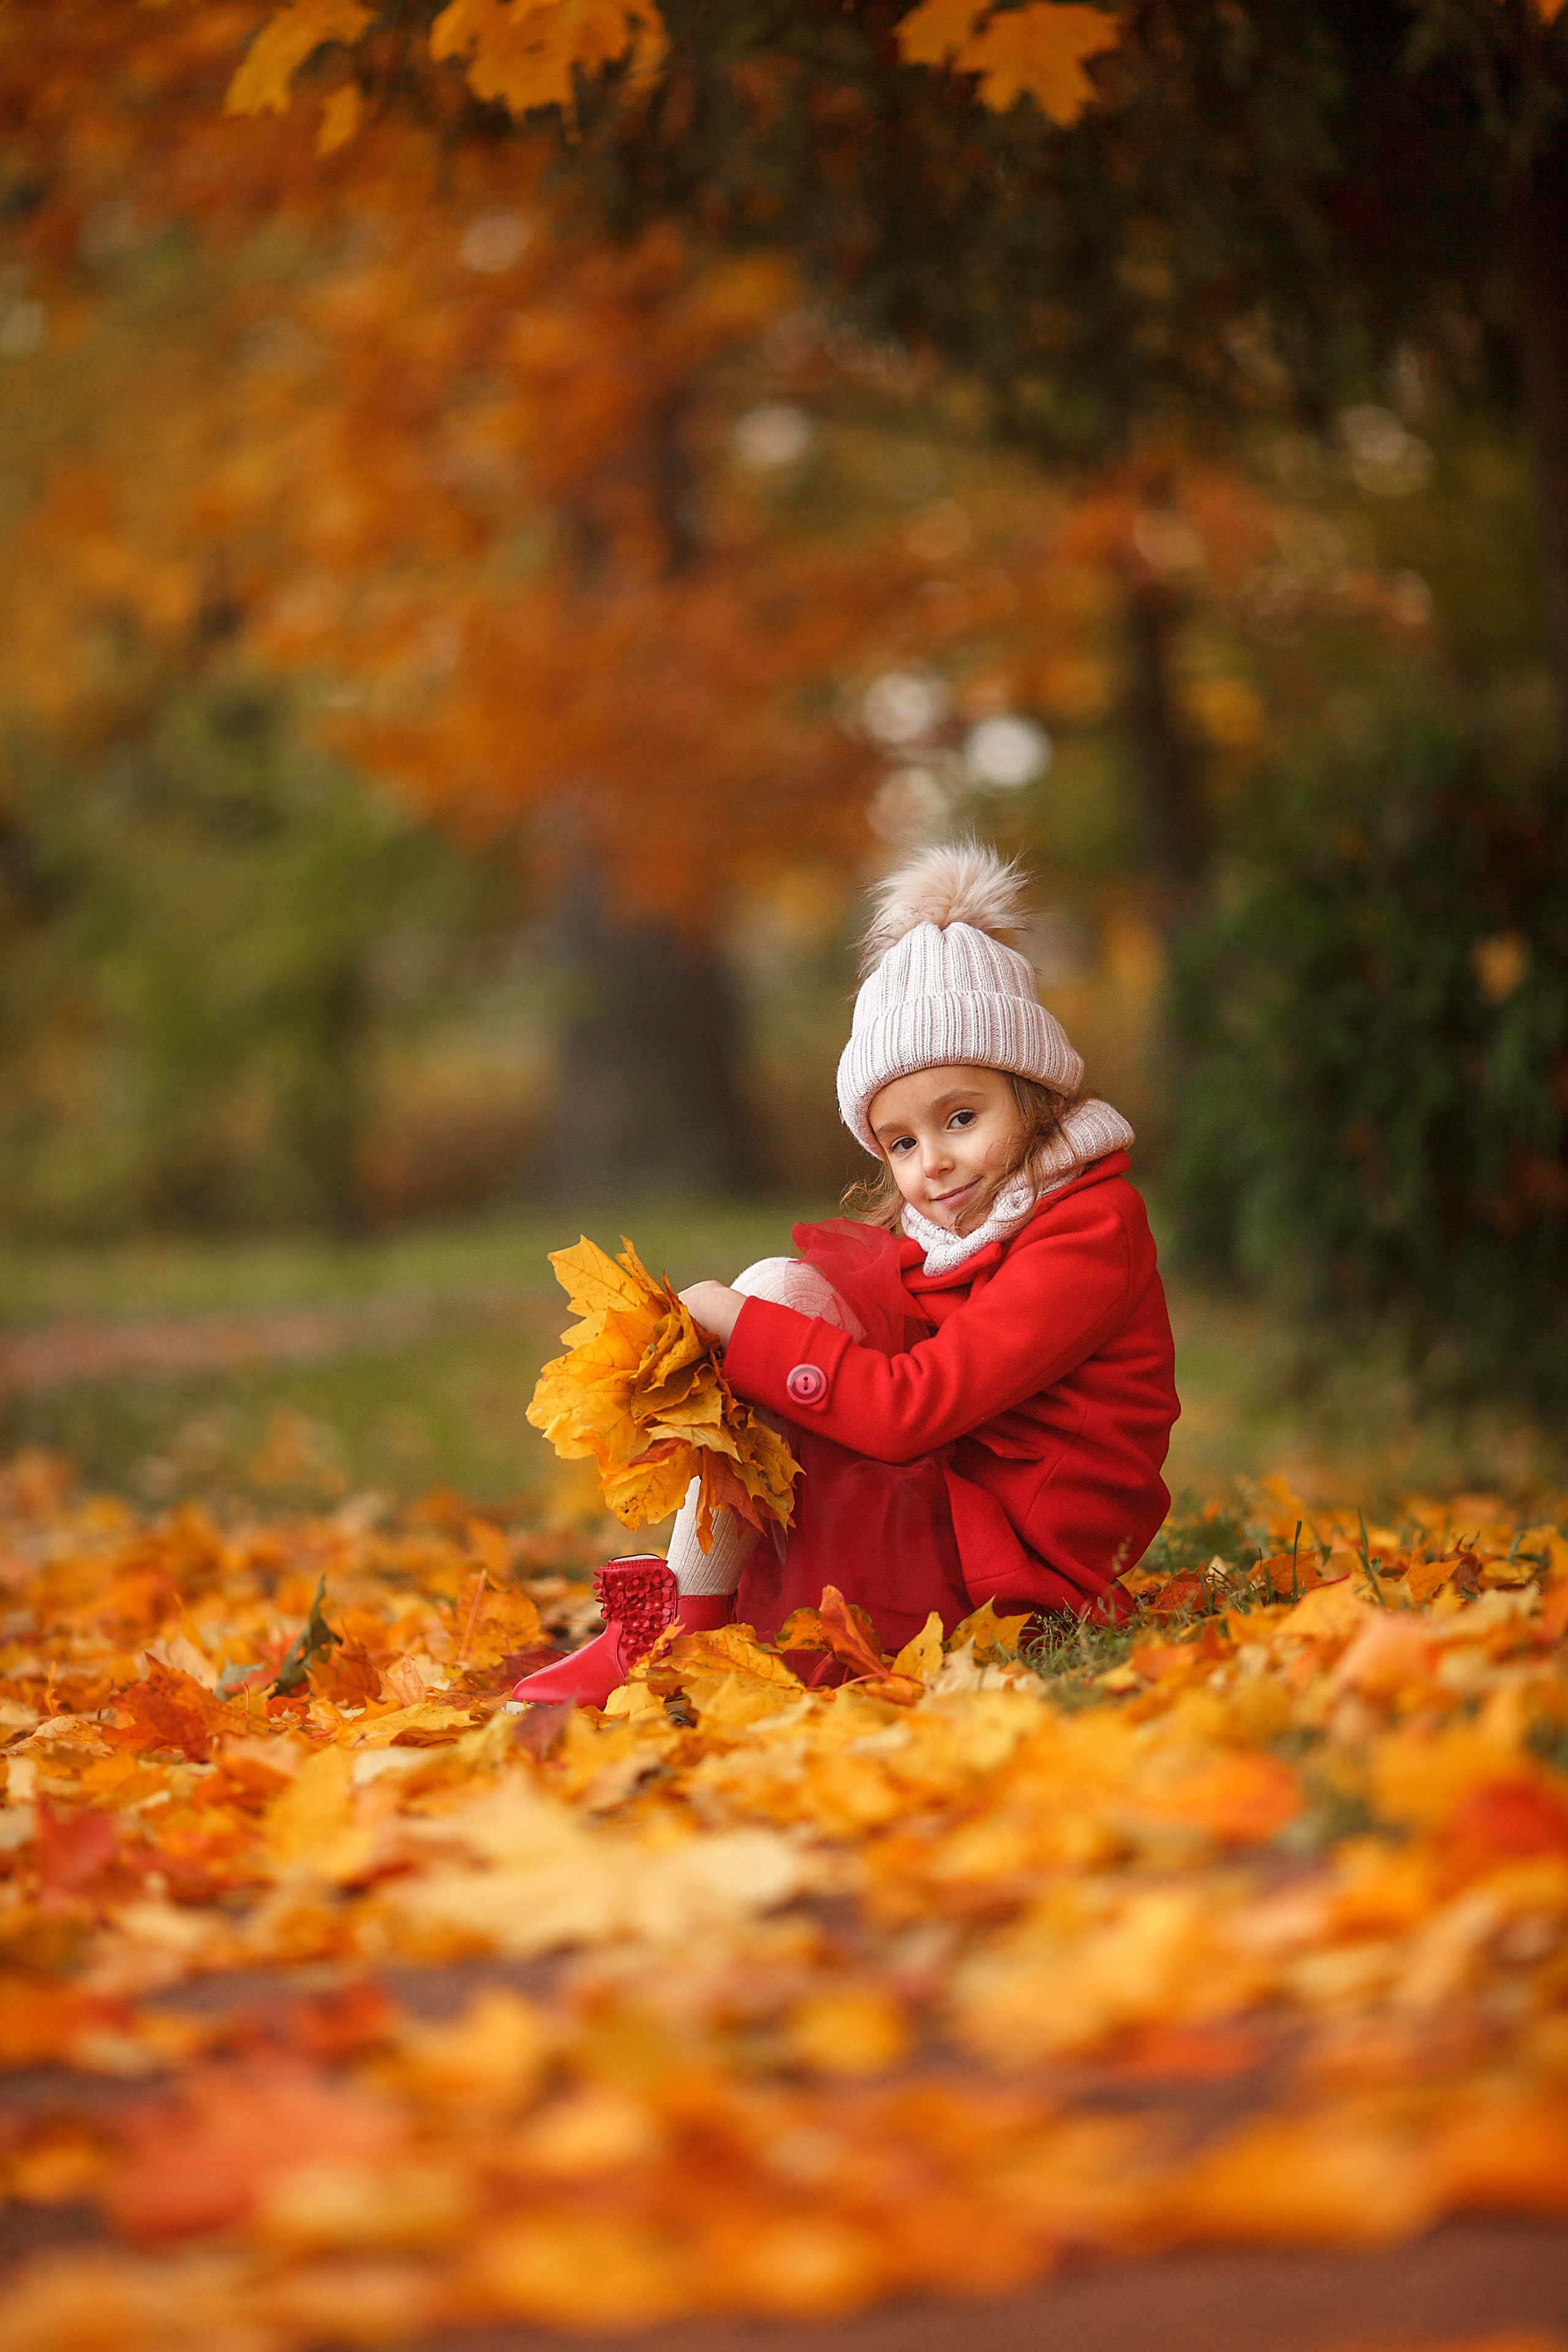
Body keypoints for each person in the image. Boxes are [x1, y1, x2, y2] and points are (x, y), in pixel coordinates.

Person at [514, 842, 1178, 1706]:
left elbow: (915, 1408)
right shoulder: (956, 1226)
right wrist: (754, 1316)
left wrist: (742, 1328)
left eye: (962, 1117)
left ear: (1036, 1095)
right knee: (783, 1286)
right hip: (953, 1496)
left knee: (764, 1318)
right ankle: (682, 1619)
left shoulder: (1089, 1227)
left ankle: (680, 1622)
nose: (933, 1162)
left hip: (1016, 1558)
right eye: (901, 1141)